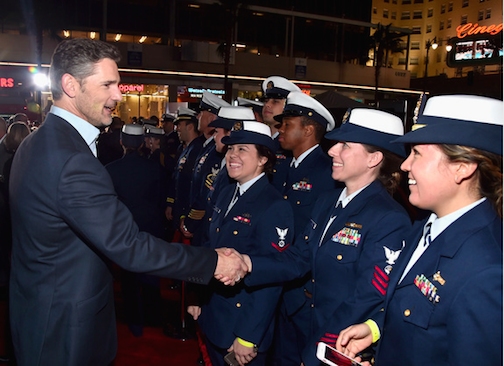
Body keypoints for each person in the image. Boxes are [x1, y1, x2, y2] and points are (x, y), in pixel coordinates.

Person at [8, 38, 248, 366]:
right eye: (107, 84)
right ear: (70, 85)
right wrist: (212, 263)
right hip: (64, 331)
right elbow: (129, 246)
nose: (118, 95)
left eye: (117, 84)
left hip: (43, 313)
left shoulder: (39, 142)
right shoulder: (69, 159)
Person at [335, 94, 503, 366]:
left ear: (461, 167)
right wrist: (376, 328)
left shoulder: (488, 272)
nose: (404, 165)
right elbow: (427, 318)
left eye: (417, 154)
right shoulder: (426, 226)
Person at [300, 108, 412, 365]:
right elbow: (300, 257)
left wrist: (317, 350)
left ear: (374, 159)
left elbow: (367, 298)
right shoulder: (326, 200)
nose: (331, 151)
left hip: (339, 344)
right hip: (308, 326)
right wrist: (248, 264)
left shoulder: (389, 219)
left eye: (345, 145)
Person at [188, 121, 295, 366]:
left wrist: (248, 336)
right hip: (214, 315)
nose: (232, 155)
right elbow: (208, 248)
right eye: (230, 149)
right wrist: (197, 295)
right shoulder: (227, 193)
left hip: (241, 327)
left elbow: (272, 275)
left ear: (263, 159)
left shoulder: (274, 206)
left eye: (242, 149)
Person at [270, 91, 339, 365]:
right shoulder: (283, 167)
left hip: (305, 290)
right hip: (281, 279)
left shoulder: (327, 172)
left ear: (309, 130)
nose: (281, 130)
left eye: (288, 124)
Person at [106, 124, 168, 337]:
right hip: (151, 228)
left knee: (129, 279)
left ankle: (134, 322)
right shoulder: (154, 168)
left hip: (126, 231)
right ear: (143, 142)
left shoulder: (111, 170)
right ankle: (153, 318)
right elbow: (162, 200)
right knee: (151, 275)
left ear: (121, 142)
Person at [181, 106, 255, 246]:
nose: (214, 136)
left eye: (217, 132)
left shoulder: (237, 171)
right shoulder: (223, 162)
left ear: (230, 134)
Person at [260, 76, 301, 191]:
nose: (268, 105)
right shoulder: (263, 141)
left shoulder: (290, 145)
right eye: (266, 101)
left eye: (275, 101)